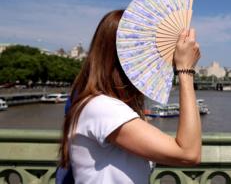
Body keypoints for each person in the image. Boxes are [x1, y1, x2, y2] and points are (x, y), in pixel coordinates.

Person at [58, 10, 202, 183]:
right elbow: (188, 153)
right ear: (125, 57)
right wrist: (185, 70)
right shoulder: (103, 108)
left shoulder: (104, 106)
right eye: (146, 50)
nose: (154, 58)